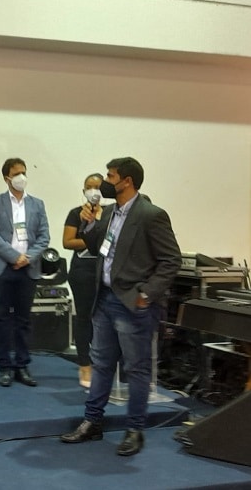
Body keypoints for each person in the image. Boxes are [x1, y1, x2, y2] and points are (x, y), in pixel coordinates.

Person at [60, 157, 181, 456]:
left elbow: (171, 260)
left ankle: (134, 430)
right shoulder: (110, 213)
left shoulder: (151, 214)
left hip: (133, 303)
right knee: (101, 364)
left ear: (127, 181)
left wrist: (147, 294)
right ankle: (92, 422)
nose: (105, 182)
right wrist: (89, 222)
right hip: (104, 299)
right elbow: (95, 246)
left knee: (136, 369)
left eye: (110, 176)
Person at [0, 158, 50, 388]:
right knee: (2, 319)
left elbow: (44, 237)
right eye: (17, 173)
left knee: (24, 320)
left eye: (24, 172)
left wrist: (28, 257)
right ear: (7, 178)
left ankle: (22, 365)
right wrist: (14, 257)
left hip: (28, 269)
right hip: (2, 268)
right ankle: (4, 366)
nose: (22, 177)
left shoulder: (37, 204)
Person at [62, 173, 103, 388]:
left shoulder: (110, 213)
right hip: (82, 272)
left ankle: (102, 363)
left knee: (104, 319)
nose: (93, 191)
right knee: (84, 317)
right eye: (89, 187)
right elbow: (68, 242)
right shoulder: (75, 214)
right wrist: (93, 240)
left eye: (97, 187)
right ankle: (84, 364)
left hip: (106, 273)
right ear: (84, 190)